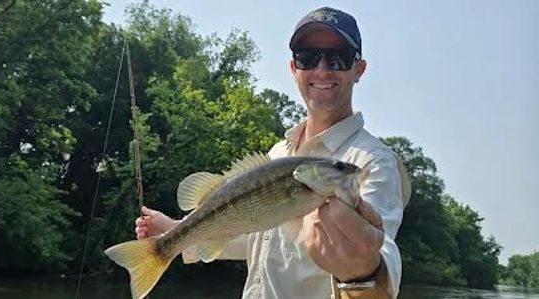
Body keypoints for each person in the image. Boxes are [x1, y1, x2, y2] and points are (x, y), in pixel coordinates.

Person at [136, 6, 410, 299]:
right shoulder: (279, 152)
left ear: (359, 69)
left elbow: (382, 256)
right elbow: (255, 235)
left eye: (338, 58)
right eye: (307, 57)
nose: (321, 70)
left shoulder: (372, 162)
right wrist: (177, 231)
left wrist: (365, 272)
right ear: (293, 68)